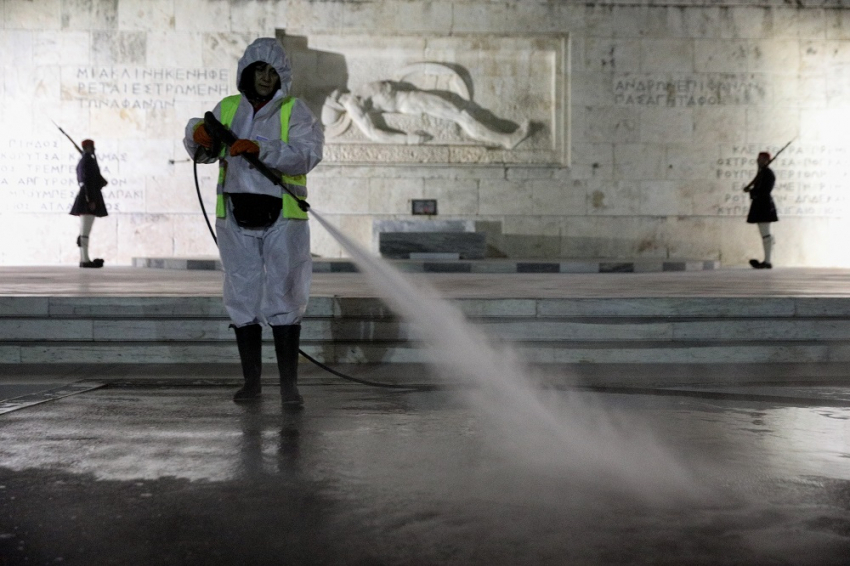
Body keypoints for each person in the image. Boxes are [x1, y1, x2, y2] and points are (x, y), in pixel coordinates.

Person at [183, 38, 323, 408]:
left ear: (282, 76)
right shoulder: (228, 108)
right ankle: (252, 383)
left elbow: (306, 154)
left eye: (273, 71)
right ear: (247, 71)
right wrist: (197, 136)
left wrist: (262, 149)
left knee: (286, 292)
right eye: (260, 69)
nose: (266, 77)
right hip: (235, 215)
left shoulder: (295, 110)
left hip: (283, 217)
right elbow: (205, 151)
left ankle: (289, 387)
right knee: (242, 295)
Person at [321, 81, 531, 149]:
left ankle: (504, 138)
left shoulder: (355, 92)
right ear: (336, 104)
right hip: (411, 102)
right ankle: (506, 139)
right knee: (461, 115)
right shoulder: (353, 106)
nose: (335, 93)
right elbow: (374, 134)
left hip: (412, 96)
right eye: (332, 97)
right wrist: (408, 140)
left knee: (461, 113)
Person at [69, 139, 108, 268]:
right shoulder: (87, 160)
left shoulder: (87, 160)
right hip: (88, 197)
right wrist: (90, 199)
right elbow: (86, 180)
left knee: (85, 231)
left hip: (89, 195)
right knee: (85, 232)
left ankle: (85, 258)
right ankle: (84, 260)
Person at [743, 151, 778, 269]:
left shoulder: (768, 173)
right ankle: (767, 260)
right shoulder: (762, 173)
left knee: (766, 235)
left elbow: (765, 190)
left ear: (767, 160)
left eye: (762, 159)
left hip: (764, 205)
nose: (758, 160)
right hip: (760, 205)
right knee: (765, 234)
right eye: (758, 158)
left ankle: (767, 261)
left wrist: (752, 191)